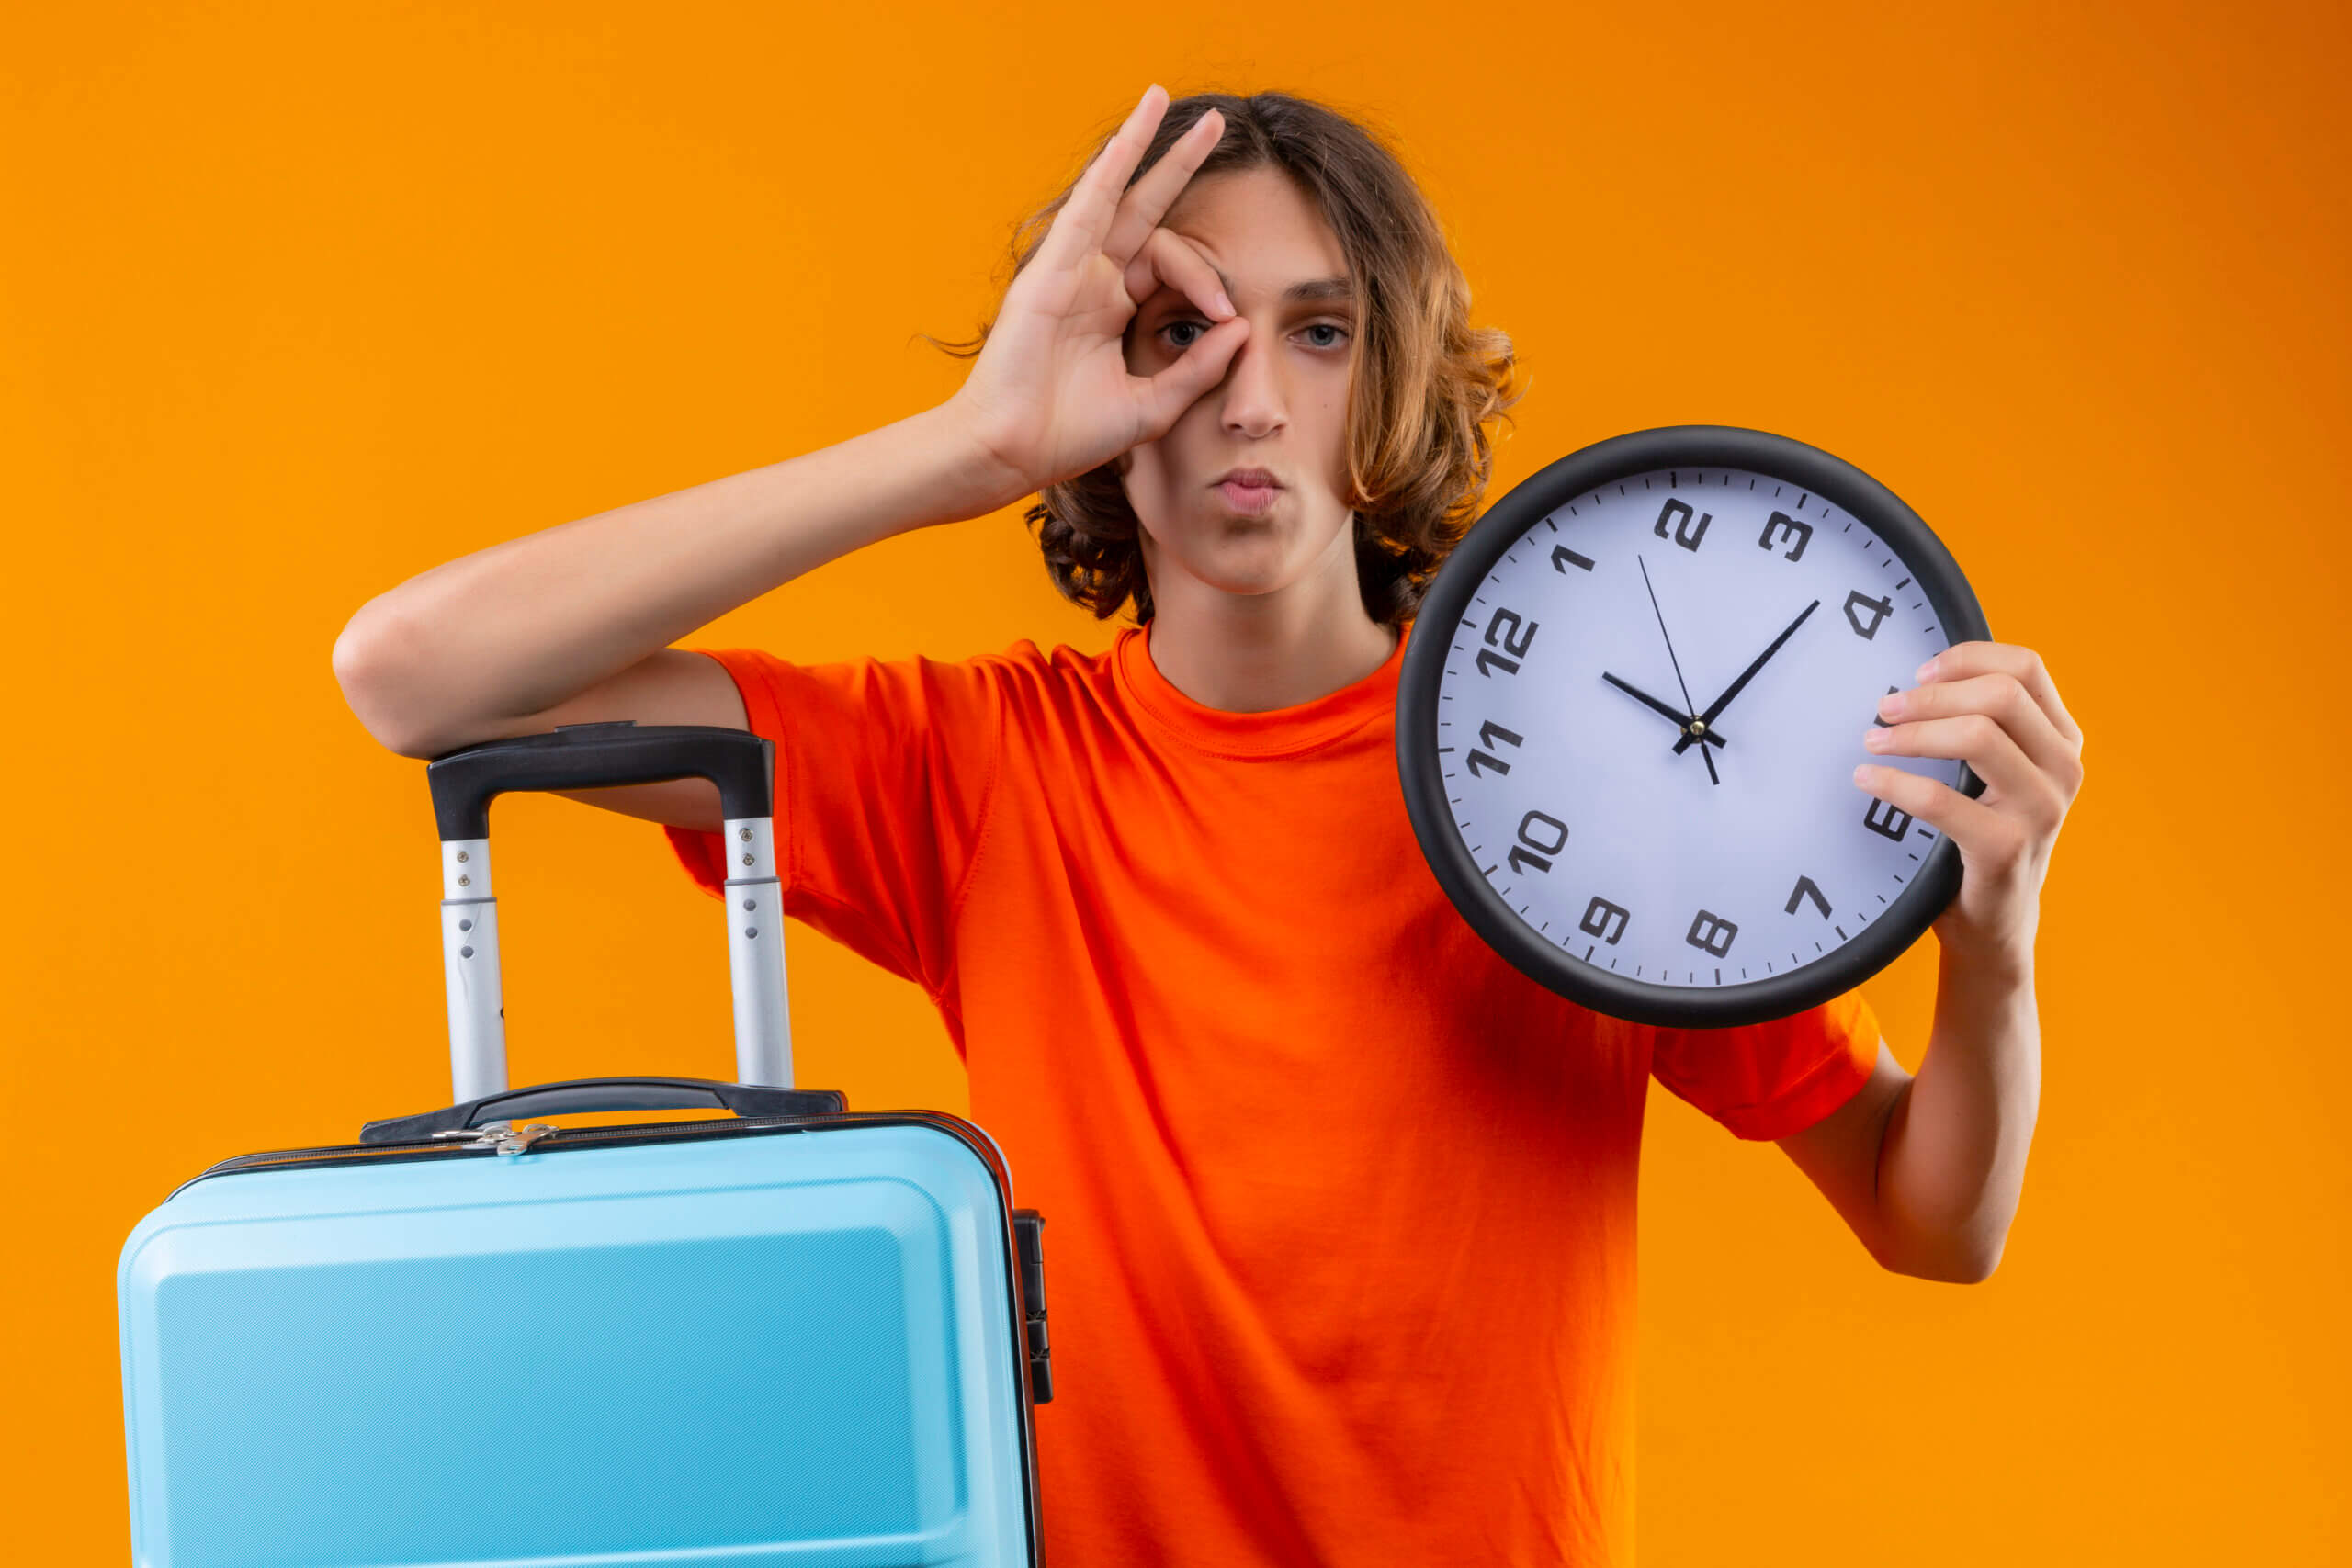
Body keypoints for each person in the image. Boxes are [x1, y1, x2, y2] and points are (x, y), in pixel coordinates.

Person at [334, 82, 2085, 1567]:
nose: (1249, 402)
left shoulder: (1578, 788)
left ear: (1391, 385)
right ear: (1100, 380)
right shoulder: (978, 768)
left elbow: (1934, 1220)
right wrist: (967, 446)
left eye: (1320, 333)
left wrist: (1992, 947)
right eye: (1181, 332)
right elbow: (415, 675)